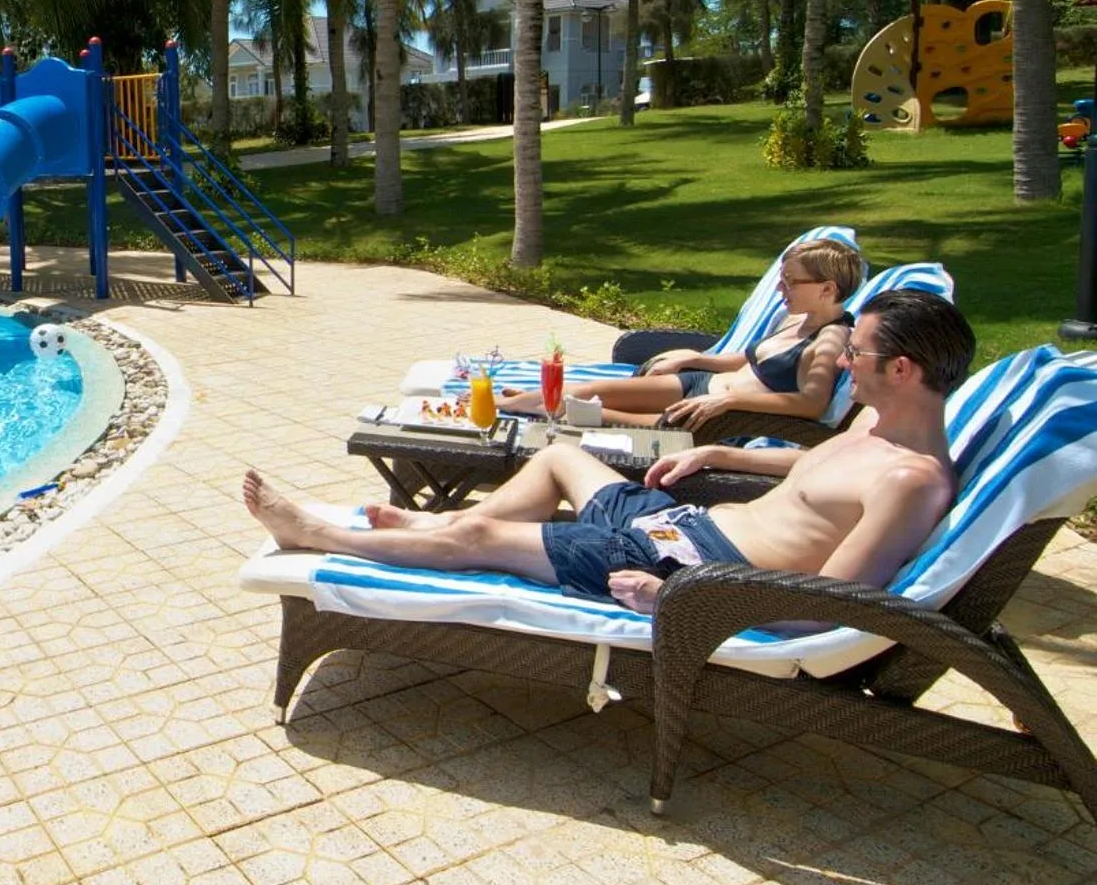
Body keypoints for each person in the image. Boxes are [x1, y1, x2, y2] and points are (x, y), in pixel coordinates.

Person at [247, 290, 974, 618]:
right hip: (680, 520)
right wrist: (722, 452)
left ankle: (322, 535)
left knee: (481, 532)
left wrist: (682, 600)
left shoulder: (911, 481)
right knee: (561, 456)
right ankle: (430, 534)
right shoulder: (875, 430)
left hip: (692, 567)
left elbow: (830, 607)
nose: (845, 365)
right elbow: (813, 472)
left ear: (903, 369)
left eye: (858, 354)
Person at [498, 237, 863, 429]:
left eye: (789, 282)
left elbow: (812, 405)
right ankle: (518, 402)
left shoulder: (830, 341)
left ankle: (500, 407)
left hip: (710, 416)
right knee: (588, 392)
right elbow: (751, 361)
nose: (780, 289)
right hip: (699, 386)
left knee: (583, 410)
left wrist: (731, 402)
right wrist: (694, 357)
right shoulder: (795, 318)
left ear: (827, 289)